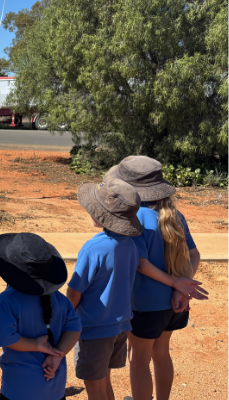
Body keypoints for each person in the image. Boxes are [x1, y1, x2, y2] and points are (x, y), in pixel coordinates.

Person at [104, 156, 207, 400]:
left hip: (145, 304)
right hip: (174, 304)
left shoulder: (135, 216)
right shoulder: (174, 214)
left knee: (138, 359)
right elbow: (194, 253)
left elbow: (141, 264)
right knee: (162, 353)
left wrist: (175, 284)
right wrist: (181, 287)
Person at [68, 178, 142, 400]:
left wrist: (63, 319)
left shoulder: (93, 248)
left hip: (94, 328)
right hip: (120, 325)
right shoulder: (130, 245)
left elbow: (74, 293)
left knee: (95, 389)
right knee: (105, 382)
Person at [0, 232, 82, 400]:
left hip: (18, 389)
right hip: (54, 388)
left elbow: (8, 338)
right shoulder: (60, 300)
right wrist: (58, 354)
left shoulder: (5, 302)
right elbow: (75, 327)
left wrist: (36, 344)